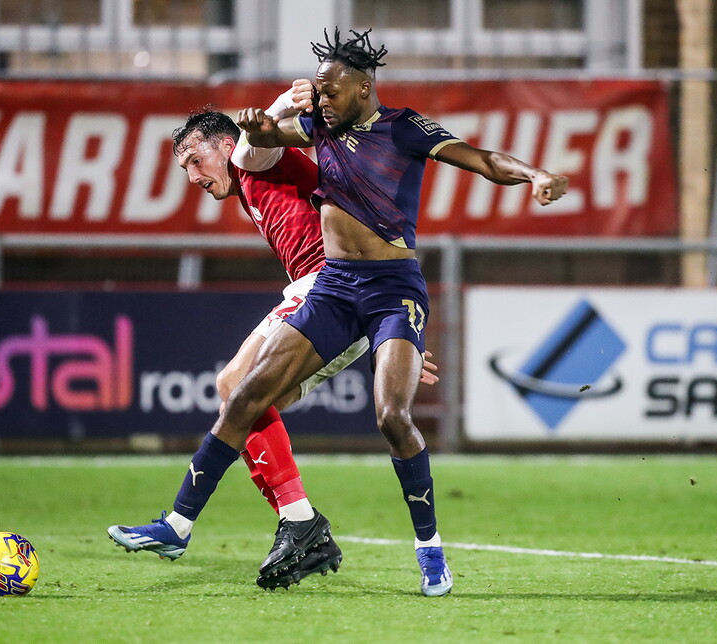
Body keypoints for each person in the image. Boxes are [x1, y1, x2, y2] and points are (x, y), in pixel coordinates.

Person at [232, 27, 567, 597]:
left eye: (331, 90)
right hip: (337, 286)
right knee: (245, 392)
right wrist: (266, 120)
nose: (323, 99)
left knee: (392, 416)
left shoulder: (404, 127)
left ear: (364, 88)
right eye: (318, 91)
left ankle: (430, 550)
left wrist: (534, 174)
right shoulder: (319, 127)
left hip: (393, 287)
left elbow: (481, 159)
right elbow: (261, 144)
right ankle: (208, 519)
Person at [107, 92, 439, 590]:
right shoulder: (252, 186)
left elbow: (258, 133)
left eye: (195, 161)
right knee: (253, 406)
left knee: (235, 383)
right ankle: (300, 521)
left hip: (329, 288)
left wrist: (286, 99)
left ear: (224, 145)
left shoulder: (258, 159)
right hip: (345, 299)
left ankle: (207, 523)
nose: (193, 178)